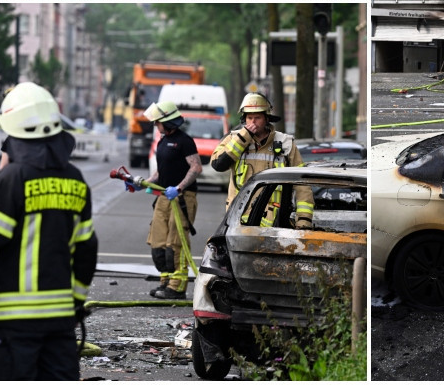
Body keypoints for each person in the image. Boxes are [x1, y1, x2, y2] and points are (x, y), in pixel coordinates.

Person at [0, 82, 97, 380]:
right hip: (61, 320)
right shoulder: (76, 180)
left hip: (15, 320)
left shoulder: (12, 178)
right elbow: (86, 250)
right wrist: (75, 301)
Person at [209, 93, 313, 227]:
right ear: (244, 119)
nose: (253, 122)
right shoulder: (235, 139)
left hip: (274, 224)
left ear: (266, 118)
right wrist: (243, 139)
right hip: (237, 222)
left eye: (257, 118)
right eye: (249, 118)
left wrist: (304, 220)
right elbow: (218, 164)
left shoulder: (285, 144)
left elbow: (302, 184)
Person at [134, 100, 200, 299]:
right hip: (163, 197)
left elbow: (196, 167)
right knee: (158, 242)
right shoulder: (162, 142)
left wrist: (179, 187)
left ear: (168, 121)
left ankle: (177, 287)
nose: (155, 125)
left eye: (158, 122)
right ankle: (165, 282)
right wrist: (144, 183)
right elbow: (160, 173)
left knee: (175, 243)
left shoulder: (184, 141)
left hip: (181, 198)